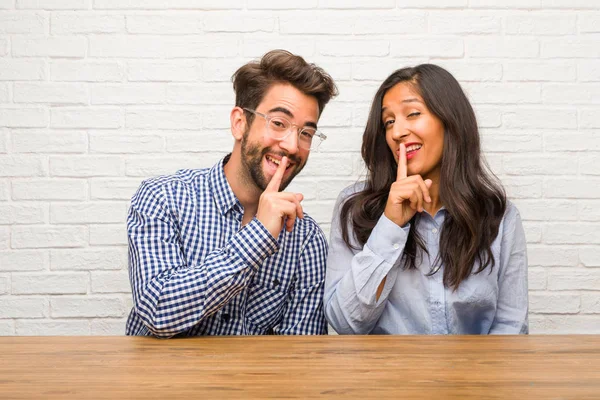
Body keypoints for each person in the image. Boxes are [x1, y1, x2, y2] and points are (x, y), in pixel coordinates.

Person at [126, 50, 338, 337]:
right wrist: (259, 236)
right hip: (163, 382)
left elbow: (300, 359)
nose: (291, 145)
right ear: (240, 123)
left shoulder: (305, 239)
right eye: (278, 123)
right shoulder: (163, 198)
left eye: (306, 133)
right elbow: (157, 310)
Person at [324, 64, 528, 335]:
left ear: (450, 121)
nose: (397, 133)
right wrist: (390, 225)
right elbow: (345, 324)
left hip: (474, 376)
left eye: (413, 114)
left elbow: (511, 328)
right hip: (386, 376)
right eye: (389, 122)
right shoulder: (354, 208)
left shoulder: (499, 217)